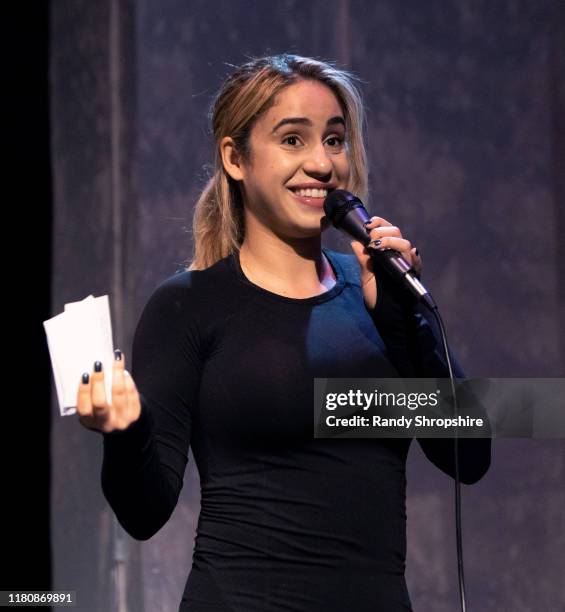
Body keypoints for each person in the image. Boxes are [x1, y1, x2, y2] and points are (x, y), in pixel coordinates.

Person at [76, 53, 491, 611]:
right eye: (293, 141)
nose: (322, 163)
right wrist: (124, 432)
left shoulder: (375, 294)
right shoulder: (190, 305)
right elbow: (145, 512)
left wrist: (404, 320)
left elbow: (471, 455)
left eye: (335, 140)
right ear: (235, 158)